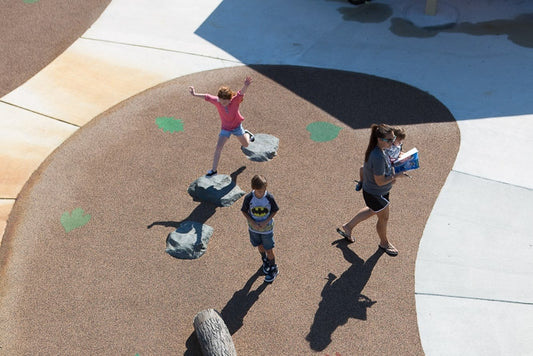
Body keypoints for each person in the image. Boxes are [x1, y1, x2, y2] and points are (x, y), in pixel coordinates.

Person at [336, 123, 408, 256]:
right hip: (377, 194)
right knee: (383, 218)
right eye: (389, 140)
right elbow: (380, 181)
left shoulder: (379, 149)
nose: (392, 142)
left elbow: (363, 169)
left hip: (374, 192)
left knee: (372, 210)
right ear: (380, 139)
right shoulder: (378, 156)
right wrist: (396, 176)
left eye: (393, 139)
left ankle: (348, 226)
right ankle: (384, 243)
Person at [189, 76, 255, 176]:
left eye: (225, 102)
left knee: (246, 145)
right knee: (218, 147)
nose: (223, 104)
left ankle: (247, 134)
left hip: (237, 127)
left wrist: (245, 85)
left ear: (230, 99)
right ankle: (214, 170)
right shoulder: (217, 101)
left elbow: (240, 93)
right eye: (221, 101)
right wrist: (194, 94)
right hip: (225, 128)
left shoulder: (235, 101)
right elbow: (207, 97)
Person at [241, 175, 280, 283]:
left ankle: (273, 268)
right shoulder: (249, 198)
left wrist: (265, 221)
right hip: (254, 229)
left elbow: (275, 210)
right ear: (253, 189)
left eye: (263, 191)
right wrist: (252, 222)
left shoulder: (269, 198)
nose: (261, 193)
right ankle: (265, 260)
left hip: (267, 229)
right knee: (259, 245)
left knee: (269, 249)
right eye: (259, 191)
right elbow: (244, 211)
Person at [355, 126, 406, 191]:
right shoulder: (387, 147)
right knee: (362, 169)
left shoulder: (398, 145)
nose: (400, 143)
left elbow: (399, 152)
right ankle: (361, 182)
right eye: (399, 141)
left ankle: (382, 187)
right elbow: (382, 155)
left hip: (391, 164)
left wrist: (402, 155)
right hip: (385, 164)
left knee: (392, 181)